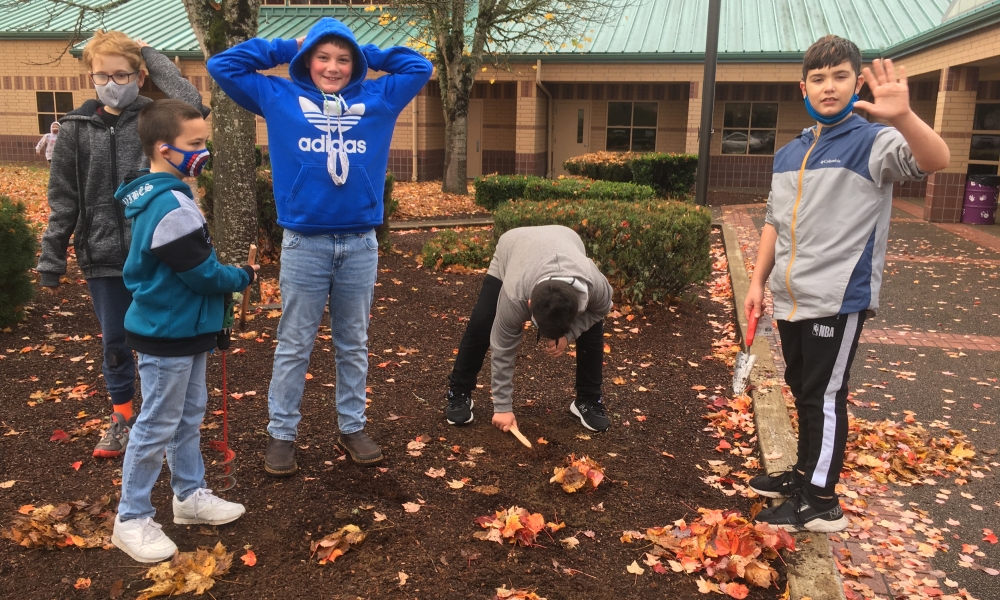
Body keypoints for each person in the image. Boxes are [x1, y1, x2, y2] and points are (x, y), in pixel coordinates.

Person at [206, 18, 432, 474]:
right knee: (294, 343)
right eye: (323, 57)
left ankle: (352, 427)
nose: (333, 67)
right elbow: (222, 64)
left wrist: (363, 49)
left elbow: (419, 66)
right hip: (304, 244)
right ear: (307, 61)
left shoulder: (379, 99)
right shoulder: (279, 97)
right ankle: (281, 434)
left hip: (360, 243)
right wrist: (289, 44)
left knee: (353, 342)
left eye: (343, 59)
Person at [744, 35, 950, 533]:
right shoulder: (791, 152)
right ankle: (803, 475)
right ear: (804, 88)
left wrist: (901, 116)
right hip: (793, 298)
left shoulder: (873, 142)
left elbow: (935, 159)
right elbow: (773, 222)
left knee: (824, 394)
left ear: (857, 82)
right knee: (802, 387)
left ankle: (821, 501)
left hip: (839, 300)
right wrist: (757, 282)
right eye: (818, 78)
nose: (828, 86)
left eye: (839, 76)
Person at [36, 30, 209, 459]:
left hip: (158, 254)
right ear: (89, 76)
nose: (112, 81)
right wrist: (51, 257)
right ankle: (122, 417)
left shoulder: (156, 118)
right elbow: (64, 197)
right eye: (102, 74)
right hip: (103, 256)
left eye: (123, 73)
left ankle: (160, 419)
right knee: (116, 340)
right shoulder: (75, 129)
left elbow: (192, 100)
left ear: (139, 74)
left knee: (160, 338)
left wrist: (144, 50)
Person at [110, 99, 257, 563]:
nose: (202, 152)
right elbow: (203, 274)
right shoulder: (170, 204)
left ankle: (189, 496)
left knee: (188, 413)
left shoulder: (170, 193)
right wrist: (243, 276)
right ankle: (131, 518)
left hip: (186, 329)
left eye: (204, 143)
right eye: (194, 145)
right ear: (163, 148)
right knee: (155, 424)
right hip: (167, 333)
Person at [445, 225, 614, 434]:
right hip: (514, 246)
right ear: (530, 302)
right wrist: (502, 407)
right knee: (482, 322)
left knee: (592, 329)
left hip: (566, 238)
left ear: (577, 306)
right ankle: (459, 392)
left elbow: (600, 311)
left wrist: (569, 335)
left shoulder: (594, 286)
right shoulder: (515, 294)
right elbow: (503, 347)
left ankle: (588, 399)